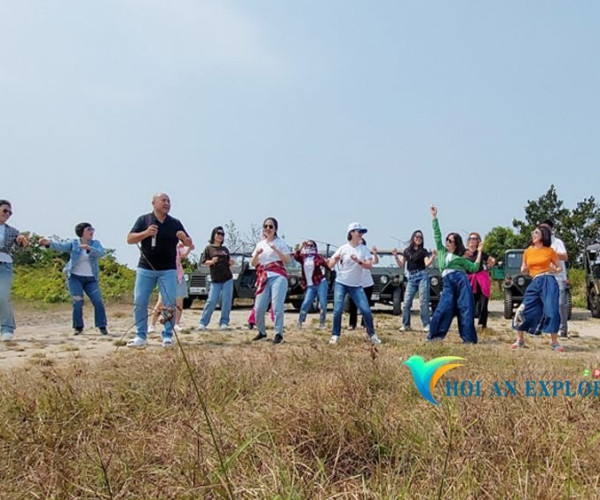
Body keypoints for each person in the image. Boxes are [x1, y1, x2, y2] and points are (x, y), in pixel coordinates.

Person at [126, 193, 193, 348]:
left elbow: (190, 243)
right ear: (153, 203)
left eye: (169, 201)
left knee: (169, 303)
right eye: (163, 200)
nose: (167, 203)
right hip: (146, 268)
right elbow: (130, 239)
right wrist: (146, 233)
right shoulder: (144, 220)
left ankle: (167, 336)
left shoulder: (175, 223)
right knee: (140, 301)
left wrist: (184, 238)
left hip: (168, 269)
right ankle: (140, 336)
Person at [40, 223, 109, 336]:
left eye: (93, 229)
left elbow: (101, 253)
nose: (92, 231)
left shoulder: (96, 243)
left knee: (98, 301)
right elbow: (60, 246)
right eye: (89, 229)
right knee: (77, 302)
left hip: (91, 279)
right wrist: (48, 243)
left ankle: (102, 326)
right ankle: (78, 327)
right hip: (75, 277)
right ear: (82, 232)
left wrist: (89, 248)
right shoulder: (74, 243)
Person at [427, 206, 483, 344]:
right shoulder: (441, 252)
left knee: (465, 308)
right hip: (448, 282)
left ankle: (469, 339)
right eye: (447, 240)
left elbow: (475, 267)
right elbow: (437, 234)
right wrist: (434, 217)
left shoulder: (460, 258)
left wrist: (480, 252)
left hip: (461, 280)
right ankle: (434, 337)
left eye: (450, 241)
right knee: (443, 308)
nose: (447, 242)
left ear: (456, 244)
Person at [511, 224, 564, 352]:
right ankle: (520, 340)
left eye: (536, 233)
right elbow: (524, 269)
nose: (533, 235)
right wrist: (523, 270)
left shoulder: (550, 251)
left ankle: (554, 342)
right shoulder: (528, 251)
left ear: (543, 236)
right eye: (533, 233)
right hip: (535, 281)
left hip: (549, 280)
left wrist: (554, 269)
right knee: (524, 308)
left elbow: (559, 268)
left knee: (551, 310)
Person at [327, 222, 381, 346]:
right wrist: (334, 260)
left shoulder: (364, 249)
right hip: (341, 282)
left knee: (366, 310)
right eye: (359, 231)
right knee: (338, 309)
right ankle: (335, 335)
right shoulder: (343, 248)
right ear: (351, 233)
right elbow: (330, 266)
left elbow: (369, 266)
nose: (361, 234)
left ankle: (372, 334)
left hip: (356, 285)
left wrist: (359, 261)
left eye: (362, 232)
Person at [250, 217, 291, 345]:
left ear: (275, 229)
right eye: (266, 226)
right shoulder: (260, 244)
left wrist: (276, 250)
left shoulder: (280, 242)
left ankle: (278, 333)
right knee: (259, 307)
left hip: (278, 276)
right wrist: (257, 254)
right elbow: (253, 263)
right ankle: (262, 332)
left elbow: (287, 260)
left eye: (271, 226)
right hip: (264, 276)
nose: (268, 228)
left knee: (277, 305)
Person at [0, 200, 30, 341]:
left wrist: (23, 240)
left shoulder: (11, 231)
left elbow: (22, 245)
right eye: (5, 211)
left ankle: (7, 328)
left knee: (3, 295)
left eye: (10, 212)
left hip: (4, 265)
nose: (8, 214)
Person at [393, 230, 434, 332]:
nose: (418, 238)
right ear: (413, 238)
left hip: (422, 276)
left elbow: (427, 264)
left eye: (420, 237)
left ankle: (426, 324)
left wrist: (433, 256)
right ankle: (405, 324)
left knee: (423, 301)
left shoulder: (423, 251)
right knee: (406, 302)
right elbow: (401, 264)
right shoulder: (407, 251)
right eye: (416, 236)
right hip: (411, 277)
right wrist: (395, 256)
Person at [149, 240, 194, 333]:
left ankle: (176, 324)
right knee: (161, 302)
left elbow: (183, 255)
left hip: (178, 277)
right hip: (165, 276)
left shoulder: (178, 245)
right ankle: (152, 324)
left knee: (179, 302)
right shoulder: (162, 244)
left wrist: (189, 248)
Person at [197, 226, 234, 331]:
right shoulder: (208, 248)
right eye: (218, 233)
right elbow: (203, 262)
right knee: (212, 300)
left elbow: (229, 261)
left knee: (226, 301)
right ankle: (203, 322)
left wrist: (231, 262)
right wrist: (212, 262)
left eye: (222, 234)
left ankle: (224, 322)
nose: (220, 236)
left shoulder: (225, 249)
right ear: (213, 235)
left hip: (227, 277)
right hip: (215, 279)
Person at [541, 219, 569, 338]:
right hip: (545, 277)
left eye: (546, 228)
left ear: (551, 229)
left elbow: (565, 256)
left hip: (559, 277)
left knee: (560, 303)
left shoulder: (557, 242)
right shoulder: (538, 244)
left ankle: (563, 328)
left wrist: (551, 254)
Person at [293, 240, 329, 329]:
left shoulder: (317, 257)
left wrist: (328, 262)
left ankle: (322, 323)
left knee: (323, 303)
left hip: (320, 282)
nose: (309, 247)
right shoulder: (303, 257)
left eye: (311, 245)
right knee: (306, 303)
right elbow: (296, 256)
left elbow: (326, 265)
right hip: (310, 285)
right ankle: (300, 322)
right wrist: (301, 246)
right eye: (307, 245)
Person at [464, 232, 495, 331]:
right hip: (469, 280)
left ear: (478, 241)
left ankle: (482, 325)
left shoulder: (481, 252)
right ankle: (469, 324)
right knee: (470, 303)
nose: (472, 240)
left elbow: (492, 260)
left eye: (475, 239)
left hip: (481, 280)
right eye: (470, 238)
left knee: (483, 303)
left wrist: (488, 267)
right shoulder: (464, 253)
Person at [347, 241, 377, 330]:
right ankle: (352, 324)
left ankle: (365, 324)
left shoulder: (366, 253)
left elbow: (375, 262)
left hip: (367, 283)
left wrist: (375, 254)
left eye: (361, 243)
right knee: (353, 305)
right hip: (355, 283)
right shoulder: (352, 252)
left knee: (366, 305)